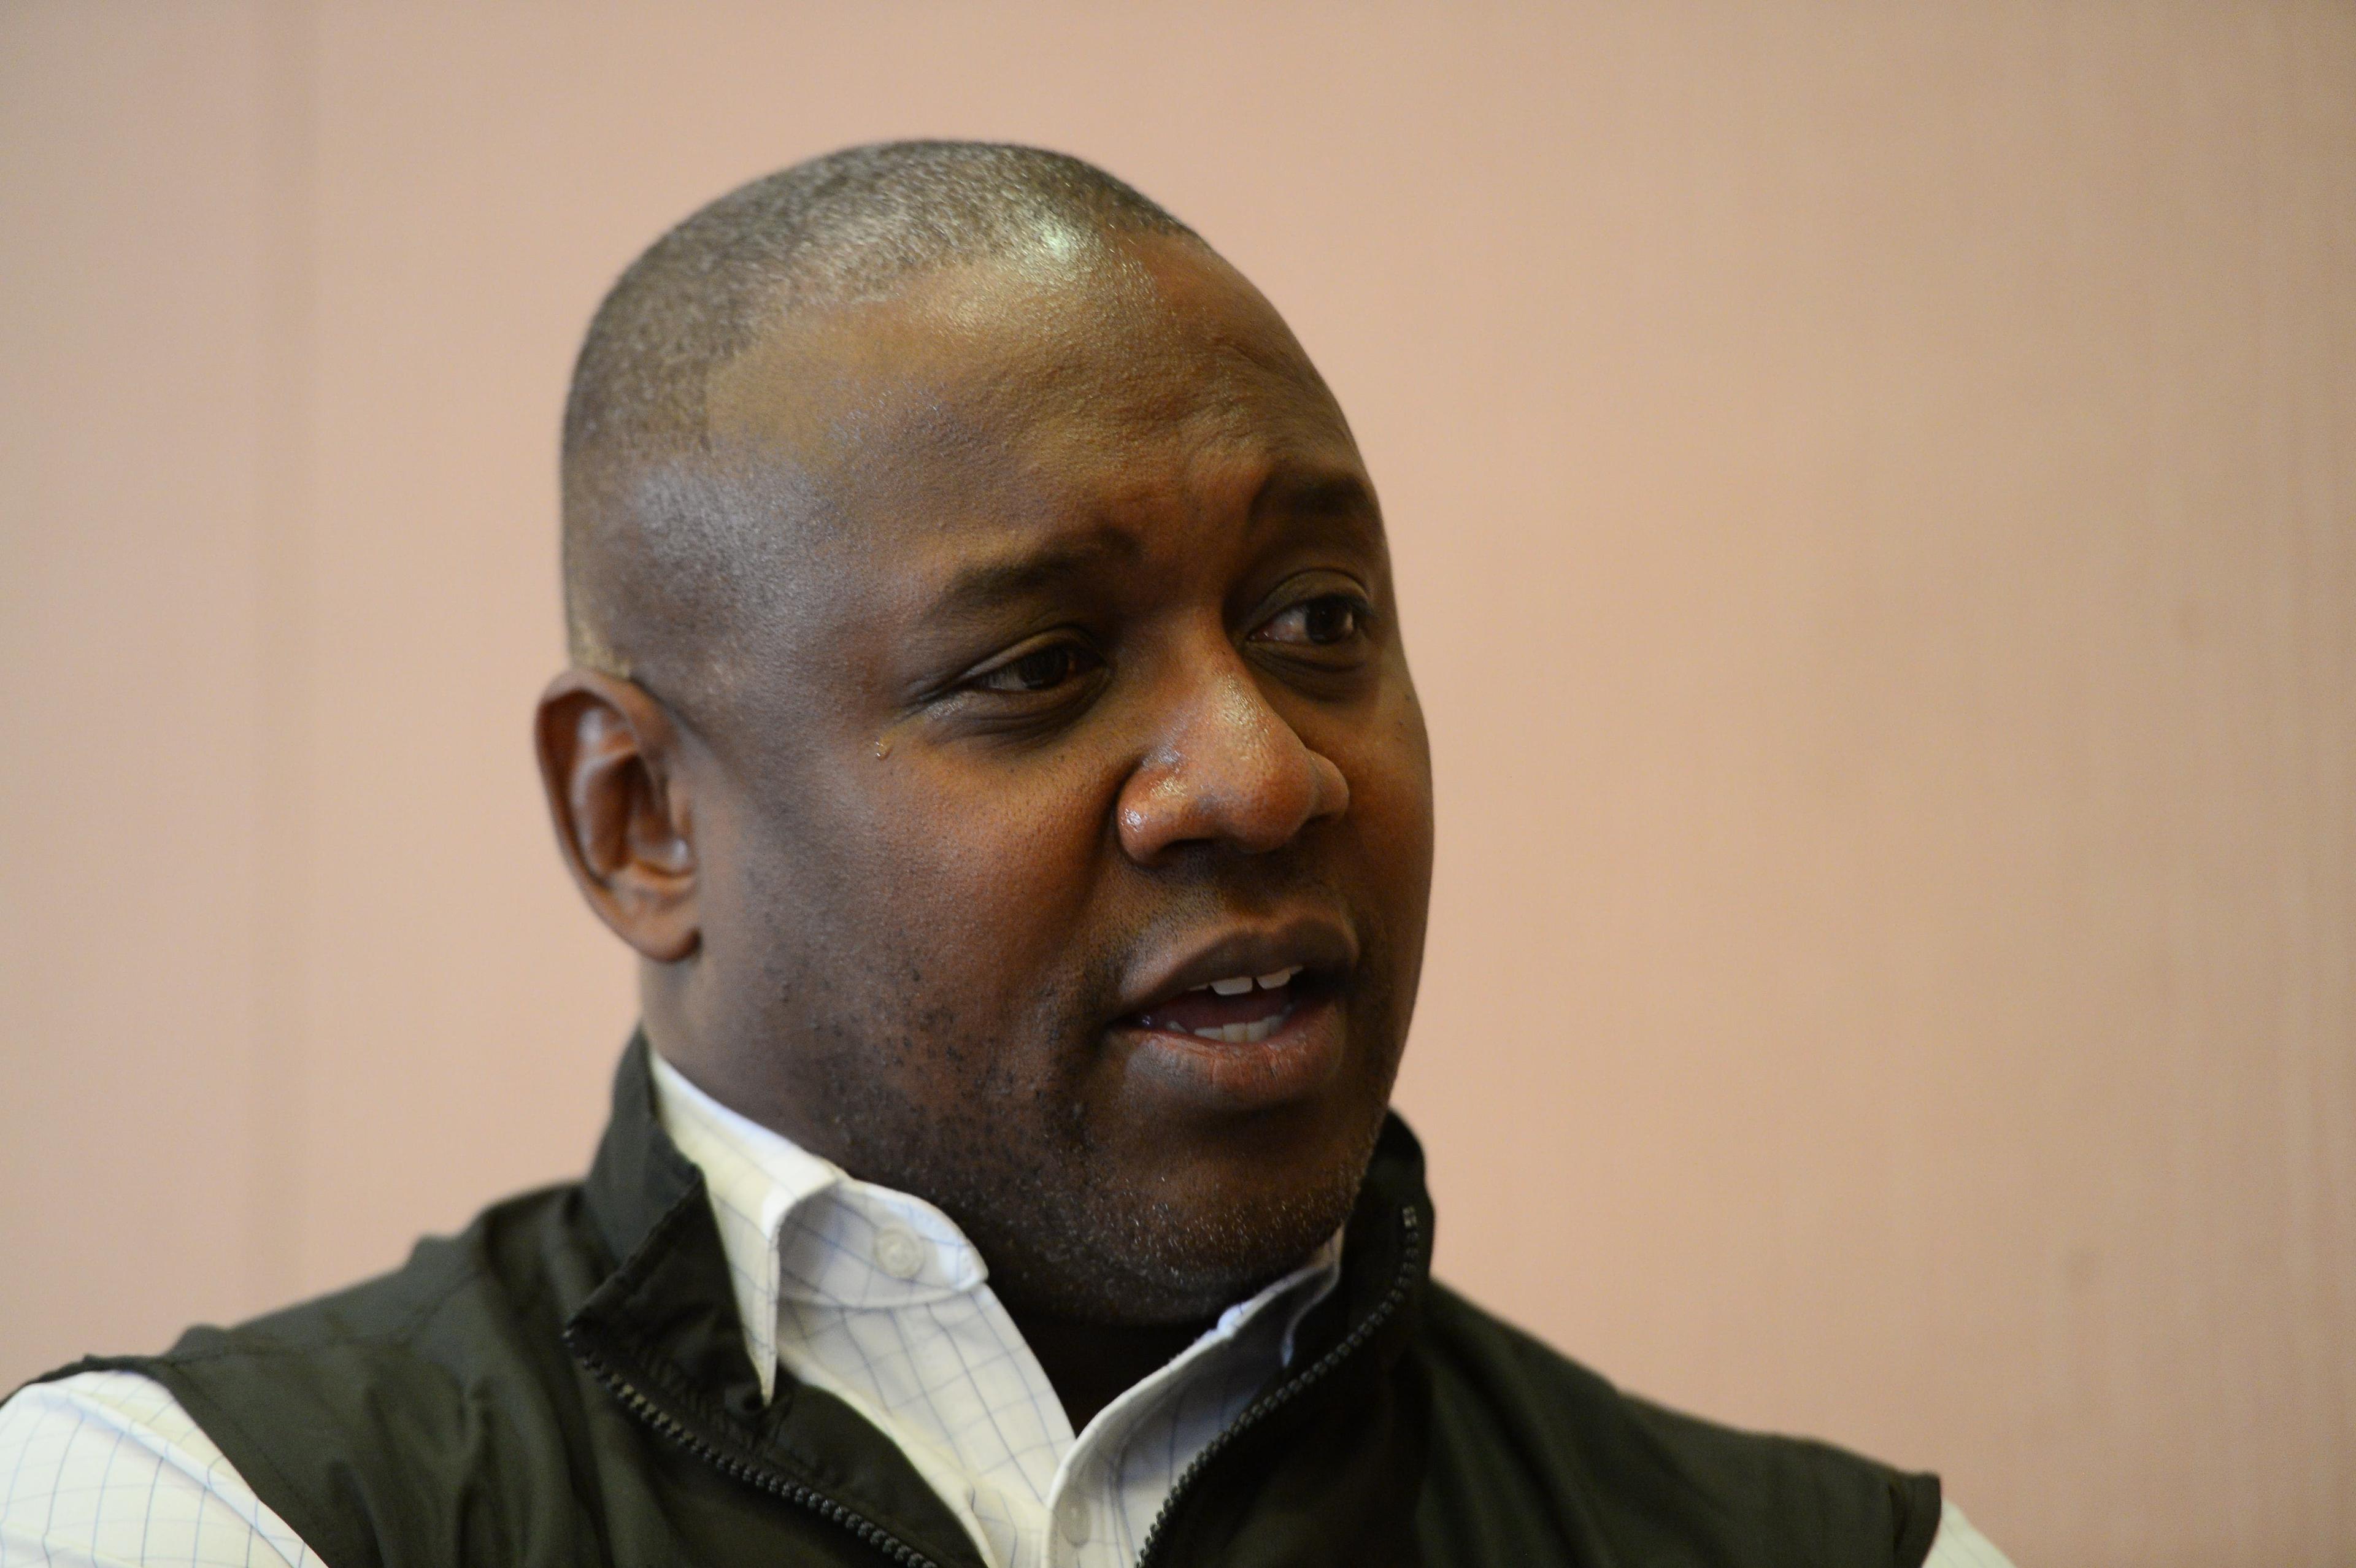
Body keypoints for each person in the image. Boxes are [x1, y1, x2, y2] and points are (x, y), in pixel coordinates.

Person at [0, 142, 2014, 1568]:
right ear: (644, 818)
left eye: (1317, 619)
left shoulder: (1848, 1554)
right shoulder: (199, 1515)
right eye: (1037, 665)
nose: (1260, 771)